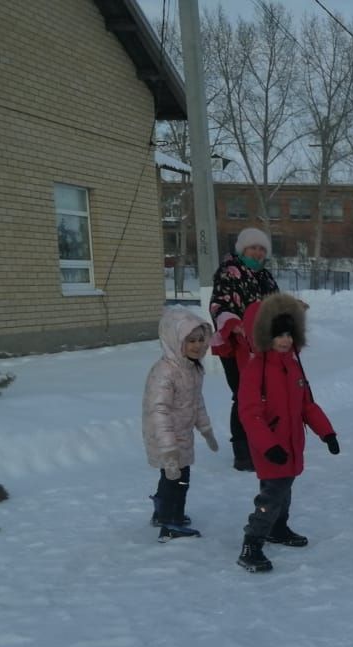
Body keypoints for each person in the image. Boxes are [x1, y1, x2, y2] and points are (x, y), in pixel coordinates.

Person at [235, 294, 338, 573]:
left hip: (291, 444)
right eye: (279, 334)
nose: (285, 340)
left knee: (284, 491)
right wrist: (267, 445)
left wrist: (327, 433)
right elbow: (249, 413)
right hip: (270, 445)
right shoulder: (256, 369)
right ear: (265, 334)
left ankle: (278, 528)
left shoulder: (293, 365)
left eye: (289, 334)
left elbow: (307, 405)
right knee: (272, 495)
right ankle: (252, 542)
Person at [142, 306, 218, 541]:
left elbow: (196, 402)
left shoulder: (192, 368)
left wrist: (205, 429)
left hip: (182, 436)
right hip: (166, 439)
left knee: (174, 479)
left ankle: (162, 510)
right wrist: (169, 449)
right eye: (190, 341)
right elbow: (158, 410)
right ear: (175, 341)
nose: (197, 346)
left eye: (200, 340)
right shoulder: (165, 372)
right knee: (178, 481)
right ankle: (170, 522)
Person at [210, 226, 279, 472]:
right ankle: (242, 451)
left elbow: (275, 305)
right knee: (243, 396)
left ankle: (262, 442)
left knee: (265, 396)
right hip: (236, 346)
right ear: (242, 248)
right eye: (253, 247)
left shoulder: (266, 276)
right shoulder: (229, 272)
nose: (258, 252)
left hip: (263, 346)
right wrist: (234, 324)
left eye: (262, 248)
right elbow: (219, 304)